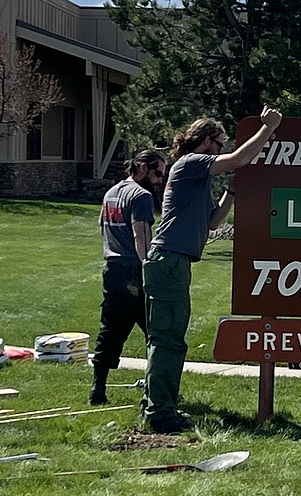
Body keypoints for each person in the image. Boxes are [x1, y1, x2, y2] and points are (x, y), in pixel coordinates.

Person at [141, 107, 283, 433]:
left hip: (175, 263)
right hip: (168, 261)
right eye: (219, 143)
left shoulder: (197, 181)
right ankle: (160, 412)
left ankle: (158, 403)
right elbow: (236, 160)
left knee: (169, 339)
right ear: (206, 141)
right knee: (169, 341)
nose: (221, 148)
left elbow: (212, 222)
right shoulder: (191, 162)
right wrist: (268, 129)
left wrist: (231, 192)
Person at [89, 148, 167, 406]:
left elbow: (103, 229)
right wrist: (149, 268)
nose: (159, 181)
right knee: (156, 333)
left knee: (110, 331)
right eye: (157, 173)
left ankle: (97, 390)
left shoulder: (112, 193)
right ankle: (156, 394)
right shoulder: (141, 195)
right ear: (142, 168)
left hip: (112, 271)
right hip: (134, 270)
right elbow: (140, 236)